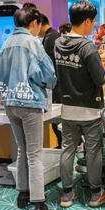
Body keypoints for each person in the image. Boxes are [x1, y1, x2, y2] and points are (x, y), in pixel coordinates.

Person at [0, 5, 56, 210]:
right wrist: (41, 84)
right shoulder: (33, 43)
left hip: (10, 103)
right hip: (30, 103)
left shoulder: (6, 43)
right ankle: (39, 203)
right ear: (34, 23)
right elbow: (48, 74)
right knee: (34, 154)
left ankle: (22, 194)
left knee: (21, 150)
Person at [55, 1, 105, 208]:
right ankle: (95, 193)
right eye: (94, 21)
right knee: (93, 151)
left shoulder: (59, 43)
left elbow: (77, 64)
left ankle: (66, 194)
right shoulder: (87, 46)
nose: (94, 25)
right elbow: (100, 79)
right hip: (89, 110)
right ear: (87, 21)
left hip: (67, 108)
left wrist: (98, 58)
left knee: (67, 150)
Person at [39, 14, 62, 149]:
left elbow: (48, 67)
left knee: (57, 123)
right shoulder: (53, 36)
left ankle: (62, 148)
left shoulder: (50, 39)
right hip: (57, 86)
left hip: (56, 88)